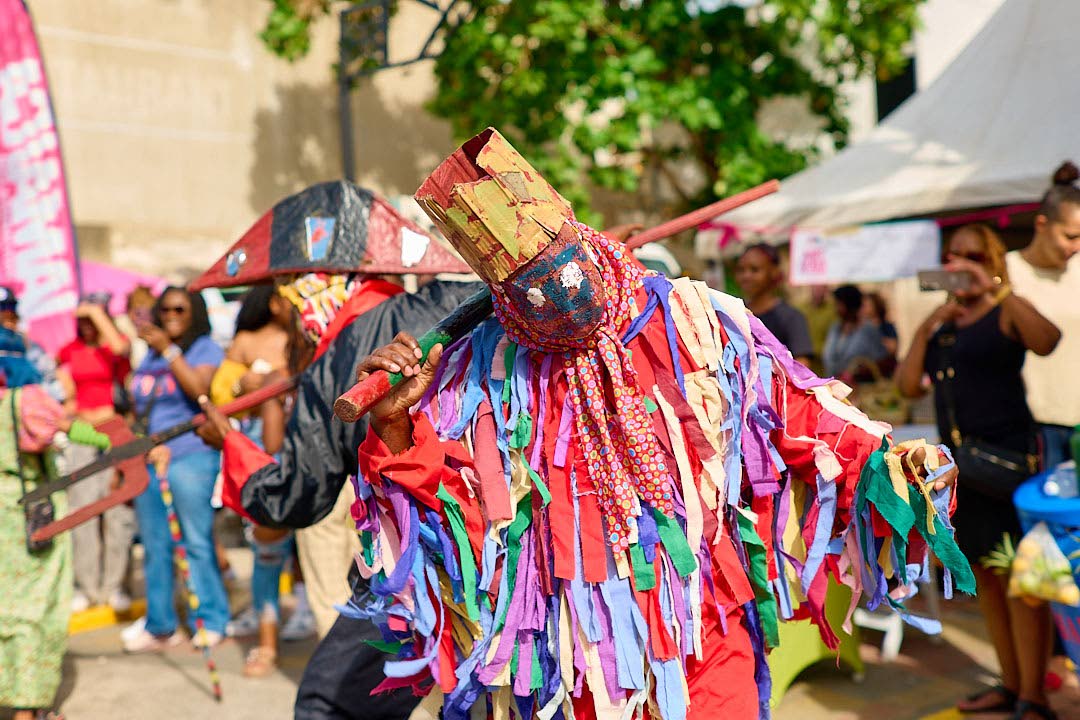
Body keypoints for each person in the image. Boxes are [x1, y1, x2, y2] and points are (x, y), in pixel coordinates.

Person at [346, 128, 971, 720]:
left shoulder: (691, 323)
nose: (557, 294)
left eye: (561, 267)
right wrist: (397, 427)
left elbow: (793, 409)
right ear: (505, 300)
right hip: (576, 665)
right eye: (530, 290)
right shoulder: (484, 373)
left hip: (706, 630)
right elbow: (452, 520)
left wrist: (890, 466)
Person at [194, 271, 482, 719]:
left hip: (415, 565)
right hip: (526, 568)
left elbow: (293, 498)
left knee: (328, 704)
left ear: (303, 290)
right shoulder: (476, 298)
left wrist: (231, 443)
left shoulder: (343, 348)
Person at [896, 223, 1061, 720]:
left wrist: (995, 288)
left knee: (1021, 580)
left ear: (990, 260)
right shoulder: (945, 324)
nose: (960, 262)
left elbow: (1047, 339)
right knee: (986, 579)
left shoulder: (1005, 309)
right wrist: (928, 325)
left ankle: (1034, 696)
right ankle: (1010, 686)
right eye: (953, 255)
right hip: (963, 471)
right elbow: (907, 387)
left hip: (1008, 465)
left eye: (972, 255)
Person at [0, 327, 111, 720]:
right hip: (26, 516)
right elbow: (67, 427)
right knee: (33, 611)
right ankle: (27, 710)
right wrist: (113, 440)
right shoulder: (25, 400)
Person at [122, 287, 229, 653]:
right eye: (164, 308)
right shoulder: (149, 355)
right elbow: (139, 407)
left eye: (179, 309)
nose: (170, 314)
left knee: (196, 541)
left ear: (194, 312)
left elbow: (199, 389)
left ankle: (212, 620)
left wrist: (169, 350)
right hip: (151, 459)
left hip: (190, 456)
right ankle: (161, 624)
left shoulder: (204, 349)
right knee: (155, 545)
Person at [210, 284, 307, 676]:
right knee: (268, 549)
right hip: (262, 453)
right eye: (289, 293)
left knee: (310, 550)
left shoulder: (307, 337)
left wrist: (278, 380)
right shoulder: (248, 339)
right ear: (273, 300)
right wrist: (249, 386)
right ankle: (268, 642)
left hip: (304, 449)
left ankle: (304, 615)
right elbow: (221, 392)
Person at [56, 294, 135, 614]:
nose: (87, 326)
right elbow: (70, 397)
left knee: (116, 511)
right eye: (82, 321)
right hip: (81, 434)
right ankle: (86, 586)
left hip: (113, 431)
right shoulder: (69, 351)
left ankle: (113, 585)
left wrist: (93, 309)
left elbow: (120, 348)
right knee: (82, 510)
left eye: (92, 320)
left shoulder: (114, 347)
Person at [1006, 162, 1080, 469]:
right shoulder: (1005, 273)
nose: (1076, 247)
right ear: (1041, 224)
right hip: (1037, 428)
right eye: (1070, 236)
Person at [734, 243, 813, 364]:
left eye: (754, 270)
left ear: (774, 272)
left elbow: (802, 366)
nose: (746, 276)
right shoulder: (734, 315)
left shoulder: (790, 318)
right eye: (741, 270)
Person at [0, 286, 65, 403]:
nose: (7, 312)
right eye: (2, 309)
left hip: (30, 406)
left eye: (10, 308)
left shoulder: (29, 346)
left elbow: (50, 380)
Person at [821, 284, 886, 377]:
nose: (835, 308)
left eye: (838, 304)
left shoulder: (868, 330)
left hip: (861, 388)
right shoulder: (835, 328)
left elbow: (879, 360)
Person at [860, 291, 899, 373]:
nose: (862, 309)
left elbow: (893, 348)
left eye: (866, 305)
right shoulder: (862, 328)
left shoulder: (887, 327)